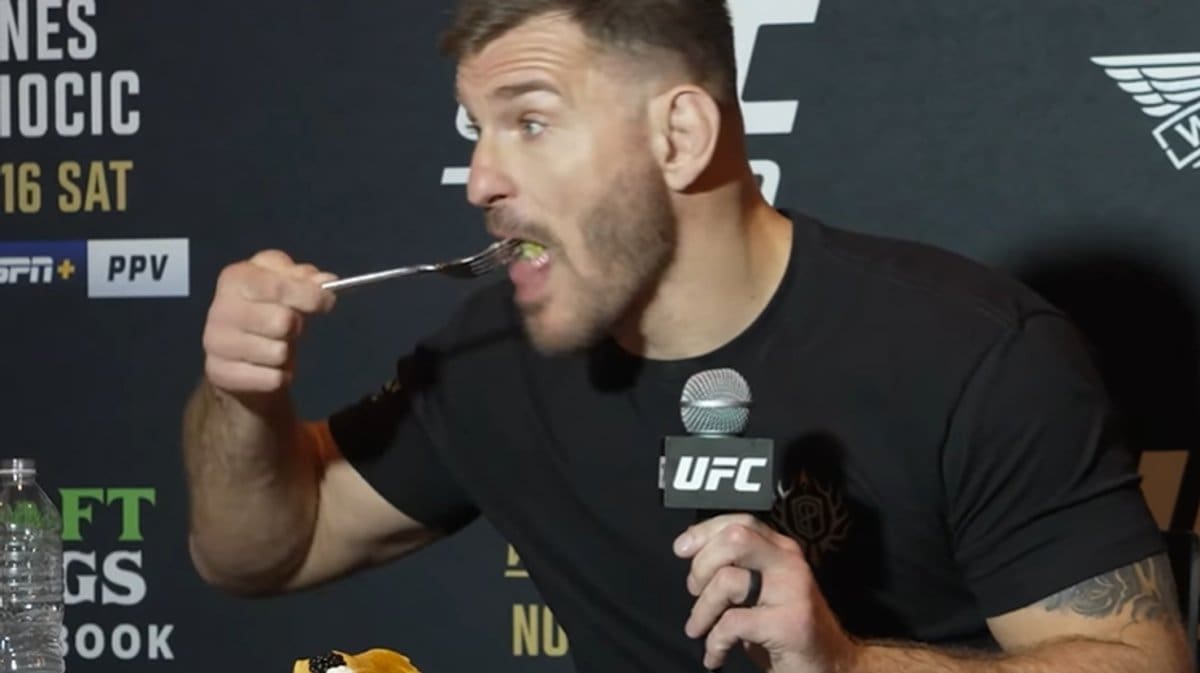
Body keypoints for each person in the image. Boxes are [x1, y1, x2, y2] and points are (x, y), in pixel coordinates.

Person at [182, 1, 1189, 672]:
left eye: (528, 122)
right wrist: (242, 393)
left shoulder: (971, 351)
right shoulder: (492, 353)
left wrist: (847, 664)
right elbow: (263, 553)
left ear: (680, 136)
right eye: (473, 130)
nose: (480, 178)